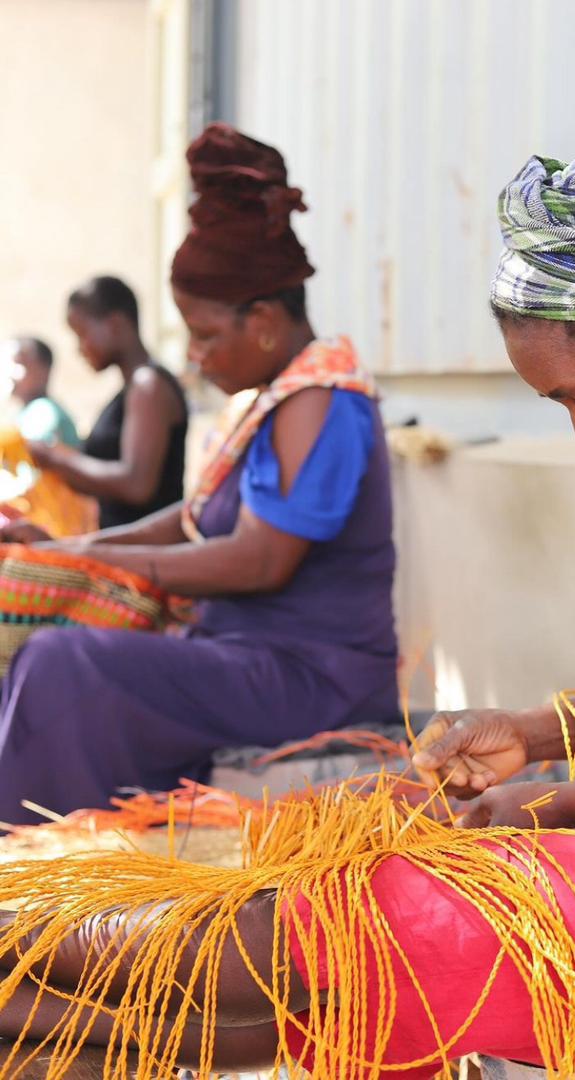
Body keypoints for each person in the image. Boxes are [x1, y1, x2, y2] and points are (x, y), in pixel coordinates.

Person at [1, 139, 575, 1078]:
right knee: (343, 934)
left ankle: (16, 944)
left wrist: (560, 803)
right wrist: (534, 733)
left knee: (358, 921)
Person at [0, 122, 398, 826]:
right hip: (240, 656)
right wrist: (63, 553)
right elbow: (191, 520)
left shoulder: (325, 403)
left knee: (67, 665)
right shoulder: (273, 402)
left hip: (312, 679)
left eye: (207, 335)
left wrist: (100, 565)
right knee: (40, 658)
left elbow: (261, 560)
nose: (195, 357)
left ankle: (34, 873)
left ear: (267, 322)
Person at [21, 275, 188, 530]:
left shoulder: (148, 385)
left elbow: (136, 485)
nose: (81, 348)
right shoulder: (133, 389)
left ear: (115, 324)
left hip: (141, 556)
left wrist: (56, 458)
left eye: (82, 334)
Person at [3, 336, 80, 447]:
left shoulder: (44, 414)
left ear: (44, 371)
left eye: (19, 364)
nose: (10, 373)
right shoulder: (29, 412)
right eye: (6, 364)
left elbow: (35, 459)